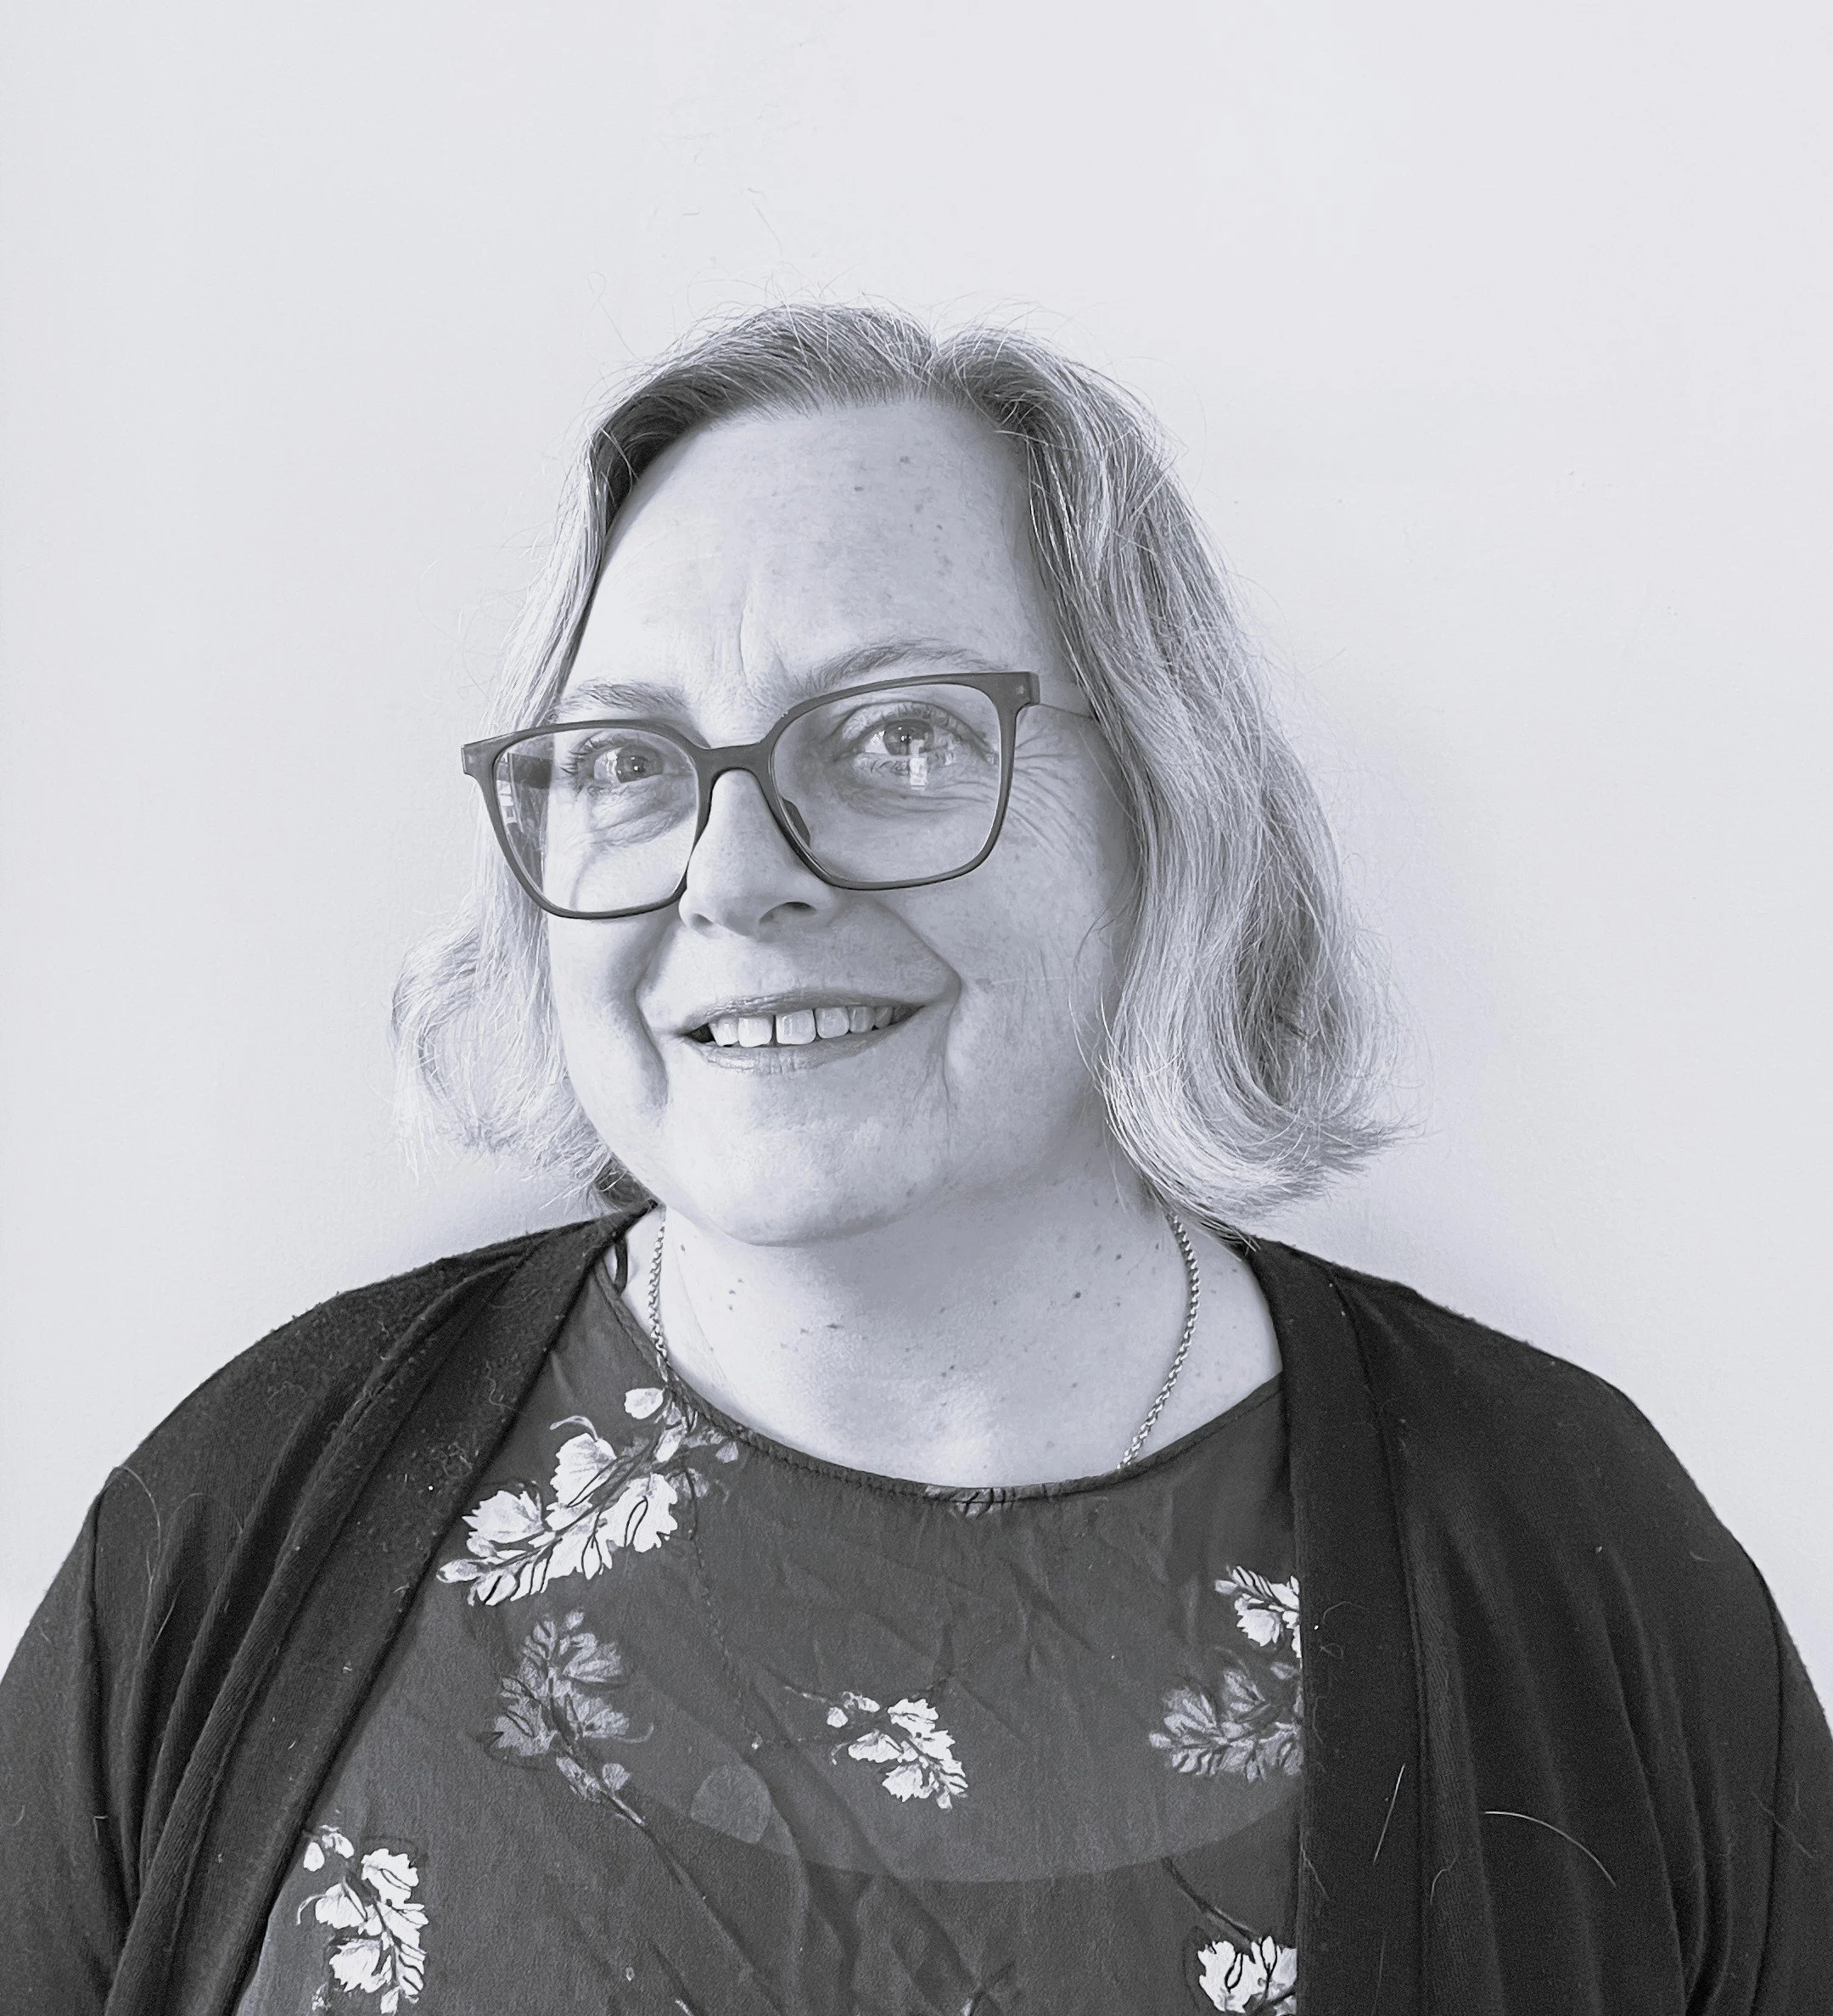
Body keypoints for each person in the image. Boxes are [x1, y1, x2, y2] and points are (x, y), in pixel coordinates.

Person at [3, 305, 1827, 2016]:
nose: (733, 874)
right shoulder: (250, 1511)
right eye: (630, 763)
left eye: (896, 736)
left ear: (1165, 803)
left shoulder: (1566, 1553)